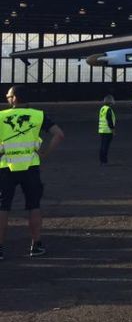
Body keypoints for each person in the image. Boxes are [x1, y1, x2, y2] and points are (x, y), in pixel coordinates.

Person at [0, 86, 65, 259]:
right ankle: (35, 245)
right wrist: (45, 154)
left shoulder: (1, 117)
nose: (7, 98)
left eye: (8, 96)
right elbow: (59, 135)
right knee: (34, 206)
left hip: (6, 167)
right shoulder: (38, 115)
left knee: (3, 208)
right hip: (30, 167)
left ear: (15, 98)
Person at [98, 94, 116, 164]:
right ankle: (104, 160)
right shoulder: (108, 109)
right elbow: (110, 121)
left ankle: (102, 160)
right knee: (105, 146)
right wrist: (113, 130)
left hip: (102, 130)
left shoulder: (102, 108)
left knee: (102, 145)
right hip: (107, 131)